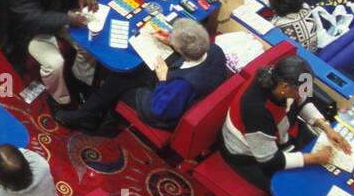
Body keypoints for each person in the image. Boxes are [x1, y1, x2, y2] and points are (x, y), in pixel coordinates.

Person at [220, 56, 345, 196]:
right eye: (298, 90)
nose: (302, 93)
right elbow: (270, 161)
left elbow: (304, 102)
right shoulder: (256, 109)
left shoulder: (281, 81)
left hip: (282, 134)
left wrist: (326, 127)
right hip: (248, 156)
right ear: (285, 87)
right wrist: (314, 158)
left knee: (316, 165)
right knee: (300, 187)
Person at [59, 17, 229, 134]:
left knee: (120, 81)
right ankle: (91, 114)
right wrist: (171, 40)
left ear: (182, 51)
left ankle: (100, 121)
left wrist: (163, 80)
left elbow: (161, 109)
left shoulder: (183, 84)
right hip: (178, 88)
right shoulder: (214, 49)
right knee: (130, 74)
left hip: (163, 107)